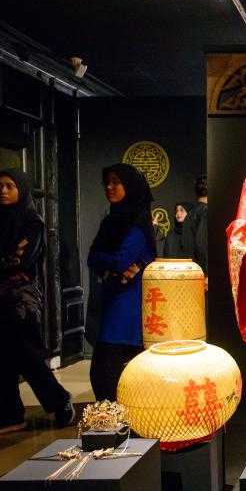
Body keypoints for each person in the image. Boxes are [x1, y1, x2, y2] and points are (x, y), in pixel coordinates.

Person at [0, 170, 74, 437]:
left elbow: (23, 259)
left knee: (27, 356)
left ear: (21, 189)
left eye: (9, 186)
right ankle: (8, 416)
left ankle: (60, 401)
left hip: (19, 300)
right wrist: (5, 257)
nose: (2, 191)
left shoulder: (31, 221)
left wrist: (0, 259)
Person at [86, 163, 156, 401]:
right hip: (110, 300)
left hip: (127, 308)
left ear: (131, 186)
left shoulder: (137, 223)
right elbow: (92, 257)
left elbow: (118, 261)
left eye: (116, 182)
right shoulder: (111, 222)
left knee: (108, 371)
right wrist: (110, 262)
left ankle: (116, 418)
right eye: (107, 182)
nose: (109, 187)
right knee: (105, 372)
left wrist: (107, 260)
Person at [182, 175, 208, 277]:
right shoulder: (205, 212)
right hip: (202, 274)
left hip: (191, 271)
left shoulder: (190, 214)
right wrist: (206, 273)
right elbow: (202, 244)